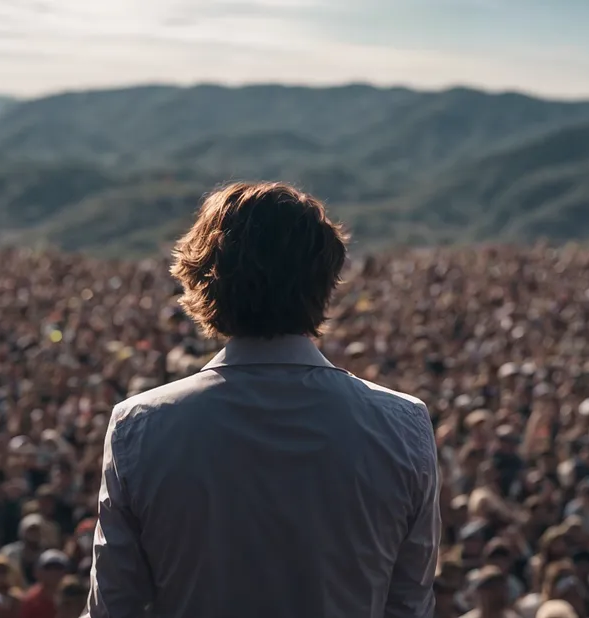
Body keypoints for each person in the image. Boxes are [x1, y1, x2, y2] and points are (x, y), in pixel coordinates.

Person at [85, 182, 440, 617]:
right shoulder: (402, 424)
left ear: (202, 278)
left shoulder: (140, 426)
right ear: (326, 279)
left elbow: (113, 608)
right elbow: (409, 606)